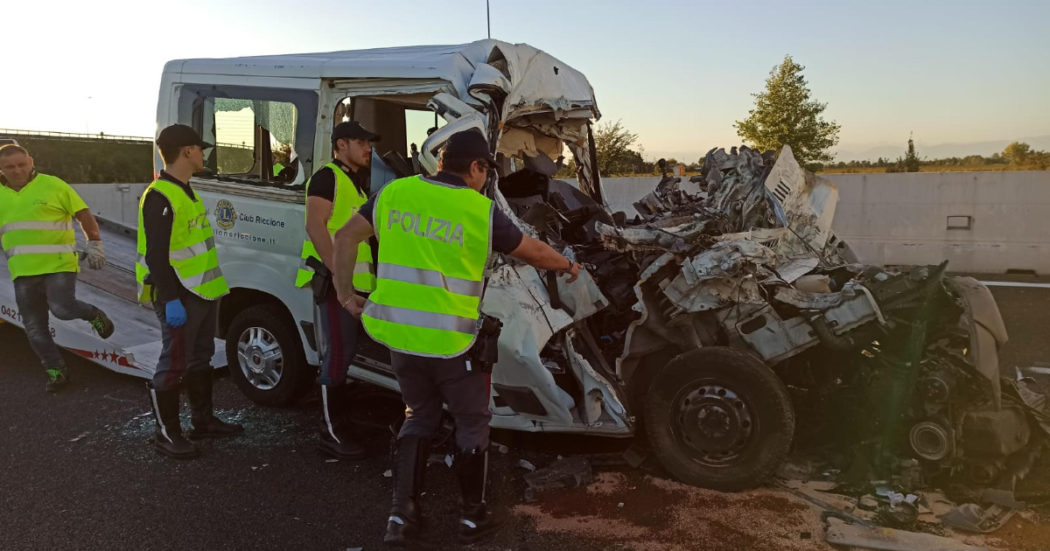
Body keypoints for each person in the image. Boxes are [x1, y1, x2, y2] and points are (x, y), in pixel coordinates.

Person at [330, 130, 581, 546]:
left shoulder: (394, 194)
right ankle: (470, 519)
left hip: (401, 337)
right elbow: (531, 251)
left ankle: (401, 518)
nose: (487, 181)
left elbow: (344, 237)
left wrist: (345, 295)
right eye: (487, 172)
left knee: (418, 415)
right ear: (477, 168)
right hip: (453, 343)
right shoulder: (477, 210)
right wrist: (567, 265)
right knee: (471, 422)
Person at [136, 124, 243, 459]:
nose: (203, 154)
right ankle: (166, 434)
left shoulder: (184, 189)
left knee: (200, 356)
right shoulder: (160, 196)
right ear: (186, 151)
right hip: (179, 294)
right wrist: (169, 300)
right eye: (200, 148)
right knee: (174, 362)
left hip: (199, 291)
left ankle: (203, 420)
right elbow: (155, 255)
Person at [293, 121, 379, 459]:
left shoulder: (353, 182)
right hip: (336, 285)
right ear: (341, 144)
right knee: (337, 353)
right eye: (361, 141)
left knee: (345, 353)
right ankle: (329, 432)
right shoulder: (327, 177)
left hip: (352, 285)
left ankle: (339, 423)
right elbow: (315, 226)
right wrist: (338, 276)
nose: (368, 148)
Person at [0, 144, 113, 392]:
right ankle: (56, 371)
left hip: (59, 264)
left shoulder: (53, 185)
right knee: (34, 327)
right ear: (1, 169)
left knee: (62, 309)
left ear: (31, 161)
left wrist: (95, 244)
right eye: (10, 167)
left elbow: (83, 214)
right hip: (23, 271)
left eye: (21, 164)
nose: (17, 170)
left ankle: (93, 314)